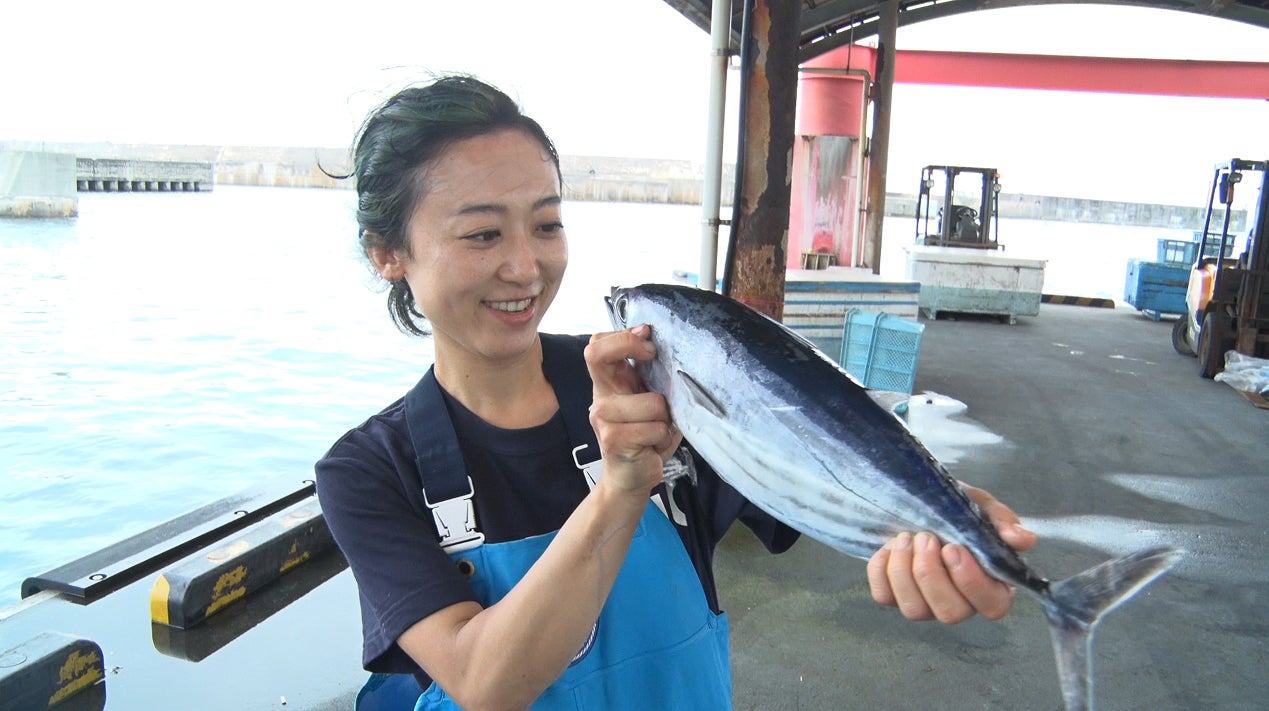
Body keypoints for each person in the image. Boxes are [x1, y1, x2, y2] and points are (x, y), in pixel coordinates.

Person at [314, 74, 1037, 711]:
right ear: (388, 253)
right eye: (480, 235)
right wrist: (623, 486)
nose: (525, 266)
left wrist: (953, 521)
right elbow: (486, 680)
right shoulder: (370, 470)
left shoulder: (652, 376)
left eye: (546, 223)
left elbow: (824, 453)